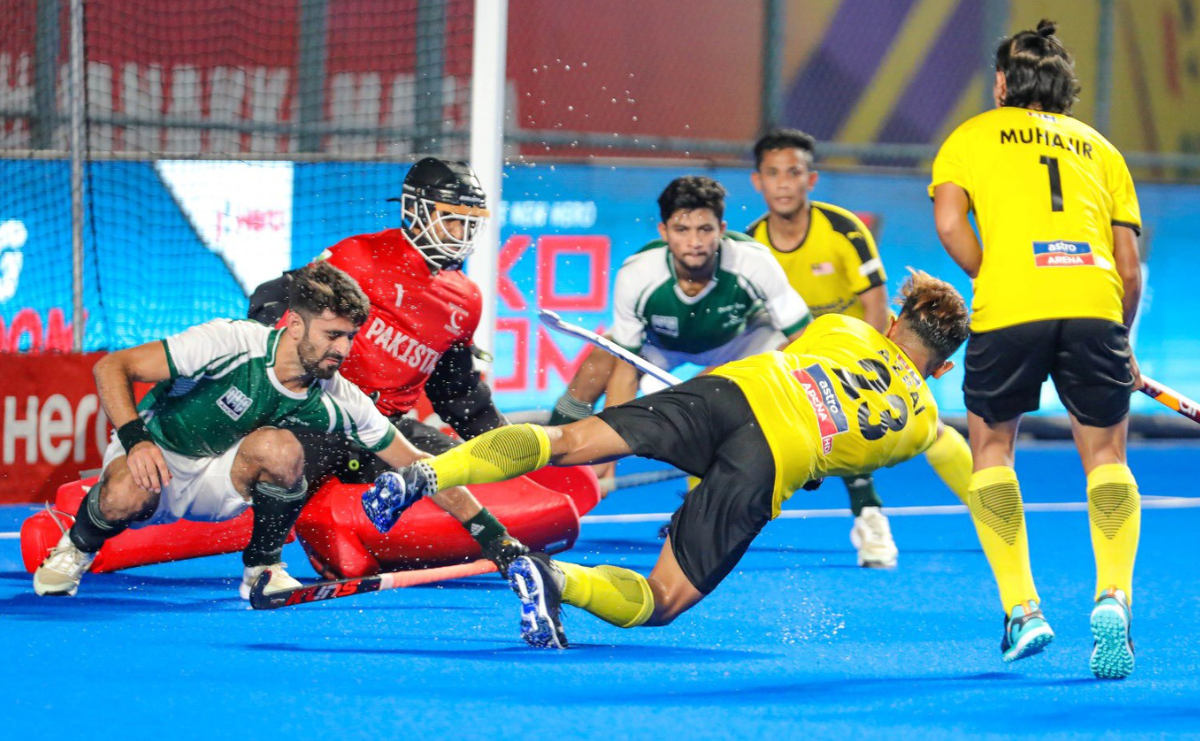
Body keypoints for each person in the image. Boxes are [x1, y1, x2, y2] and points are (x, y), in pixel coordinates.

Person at [361, 271, 970, 649]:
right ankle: (555, 579)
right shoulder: (919, 426)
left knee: (566, 441)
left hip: (730, 392)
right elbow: (830, 446)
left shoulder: (844, 327)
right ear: (943, 369)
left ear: (894, 322)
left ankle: (430, 471)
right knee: (660, 599)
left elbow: (806, 375)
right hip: (769, 459)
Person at [932, 20, 1143, 679]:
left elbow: (947, 222)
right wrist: (1122, 342)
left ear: (1002, 83)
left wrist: (989, 275)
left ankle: (1022, 609)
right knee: (1105, 455)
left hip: (1010, 303)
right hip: (1093, 305)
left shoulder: (968, 137)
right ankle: (1113, 594)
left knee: (991, 450)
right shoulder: (1101, 148)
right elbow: (1129, 266)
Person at [33, 262, 433, 598]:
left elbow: (416, 464)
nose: (343, 350)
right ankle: (75, 548)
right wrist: (136, 442)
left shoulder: (338, 396)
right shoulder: (229, 342)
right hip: (158, 457)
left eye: (350, 337)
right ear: (295, 325)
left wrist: (491, 538)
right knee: (123, 492)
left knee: (281, 448)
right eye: (333, 335)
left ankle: (263, 569)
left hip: (222, 477)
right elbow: (111, 367)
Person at [248, 157, 527, 574]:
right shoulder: (359, 256)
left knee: (461, 473)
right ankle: (269, 560)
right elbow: (275, 299)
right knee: (285, 460)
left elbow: (457, 393)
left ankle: (360, 533)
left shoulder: (467, 300)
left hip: (388, 429)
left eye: (469, 223)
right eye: (450, 220)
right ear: (415, 211)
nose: (461, 234)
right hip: (322, 415)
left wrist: (512, 449)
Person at [748, 128, 975, 568]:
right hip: (796, 362)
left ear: (810, 180)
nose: (782, 183)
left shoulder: (844, 231)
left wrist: (863, 366)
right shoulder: (752, 245)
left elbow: (875, 307)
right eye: (772, 173)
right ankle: (704, 500)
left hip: (863, 354)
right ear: (758, 182)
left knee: (929, 432)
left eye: (793, 172)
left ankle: (990, 512)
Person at [546, 175, 812, 492]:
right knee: (602, 358)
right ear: (664, 232)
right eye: (682, 230)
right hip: (663, 346)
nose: (695, 242)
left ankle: (703, 488)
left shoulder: (754, 263)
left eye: (705, 229)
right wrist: (609, 452)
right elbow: (626, 369)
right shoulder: (638, 274)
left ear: (722, 230)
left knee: (743, 373)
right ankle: (549, 460)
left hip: (738, 343)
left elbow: (805, 339)